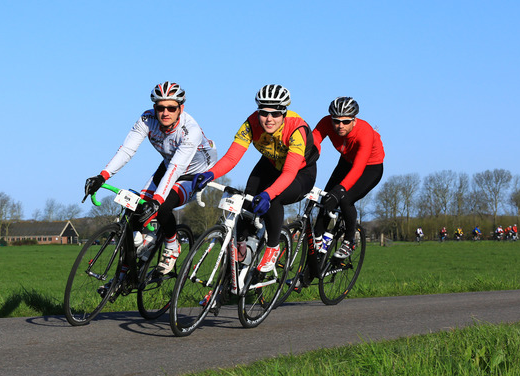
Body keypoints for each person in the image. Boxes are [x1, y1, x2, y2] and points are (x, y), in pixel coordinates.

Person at [84, 81, 217, 274]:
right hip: (170, 163)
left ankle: (172, 247)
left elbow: (176, 168)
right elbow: (127, 150)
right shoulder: (147, 119)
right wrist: (102, 176)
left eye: (171, 108)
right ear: (154, 107)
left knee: (162, 207)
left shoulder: (190, 130)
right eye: (160, 107)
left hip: (195, 172)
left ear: (181, 108)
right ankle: (131, 267)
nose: (165, 113)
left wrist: (157, 200)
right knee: (137, 215)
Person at [192, 84, 318, 272]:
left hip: (300, 172)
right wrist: (210, 174)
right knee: (247, 199)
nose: (269, 119)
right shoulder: (251, 123)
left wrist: (267, 194)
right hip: (270, 163)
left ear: (284, 113)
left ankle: (273, 247)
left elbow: (289, 173)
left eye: (275, 114)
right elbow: (232, 157)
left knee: (273, 198)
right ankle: (243, 251)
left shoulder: (296, 128)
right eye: (264, 113)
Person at [312, 97, 384, 258]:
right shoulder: (326, 122)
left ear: (354, 120)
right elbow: (313, 141)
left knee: (344, 198)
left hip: (369, 167)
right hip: (346, 161)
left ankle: (349, 240)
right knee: (326, 197)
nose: (340, 126)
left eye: (345, 122)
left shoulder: (364, 132)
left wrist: (340, 190)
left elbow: (359, 167)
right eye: (336, 121)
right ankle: (318, 237)